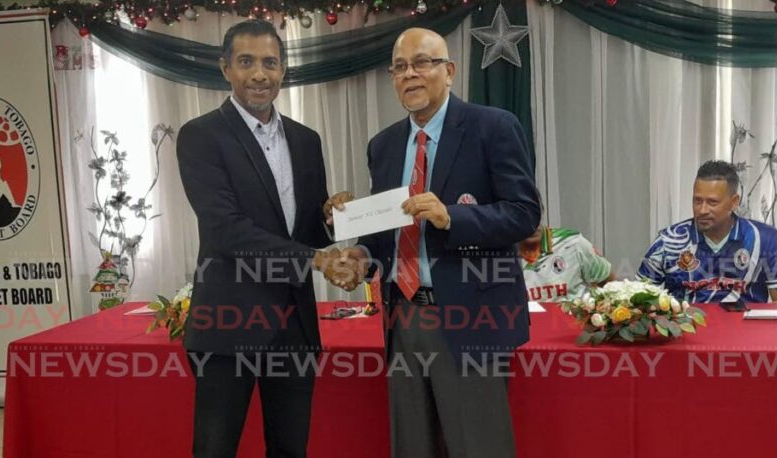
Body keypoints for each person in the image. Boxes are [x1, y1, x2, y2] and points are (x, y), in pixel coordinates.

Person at [324, 27, 540, 458]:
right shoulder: (383, 146)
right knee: (413, 446)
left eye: (422, 62)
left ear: (450, 71)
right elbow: (384, 237)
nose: (411, 74)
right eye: (400, 67)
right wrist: (361, 255)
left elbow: (524, 214)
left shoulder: (492, 127)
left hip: (470, 316)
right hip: (403, 318)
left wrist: (452, 217)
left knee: (478, 445)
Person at [175, 19, 344, 458]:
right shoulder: (201, 135)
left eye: (270, 62)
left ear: (284, 69)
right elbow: (224, 229)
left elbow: (305, 229)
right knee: (214, 450)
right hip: (228, 323)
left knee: (291, 450)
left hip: (295, 326)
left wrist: (328, 221)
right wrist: (315, 259)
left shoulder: (307, 140)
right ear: (225, 68)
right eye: (246, 62)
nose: (259, 74)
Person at [638, 160, 777, 303]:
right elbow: (639, 299)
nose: (702, 210)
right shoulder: (669, 241)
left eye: (712, 202)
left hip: (745, 324)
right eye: (697, 201)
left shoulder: (766, 239)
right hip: (686, 324)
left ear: (734, 202)